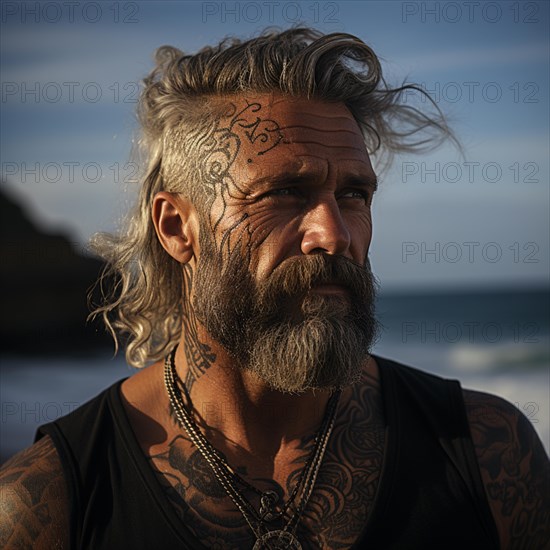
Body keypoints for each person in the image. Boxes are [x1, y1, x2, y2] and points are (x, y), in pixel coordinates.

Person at [1, 28, 548, 550]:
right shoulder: (49, 501)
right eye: (285, 192)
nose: (334, 234)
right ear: (176, 228)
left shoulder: (487, 450)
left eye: (354, 195)